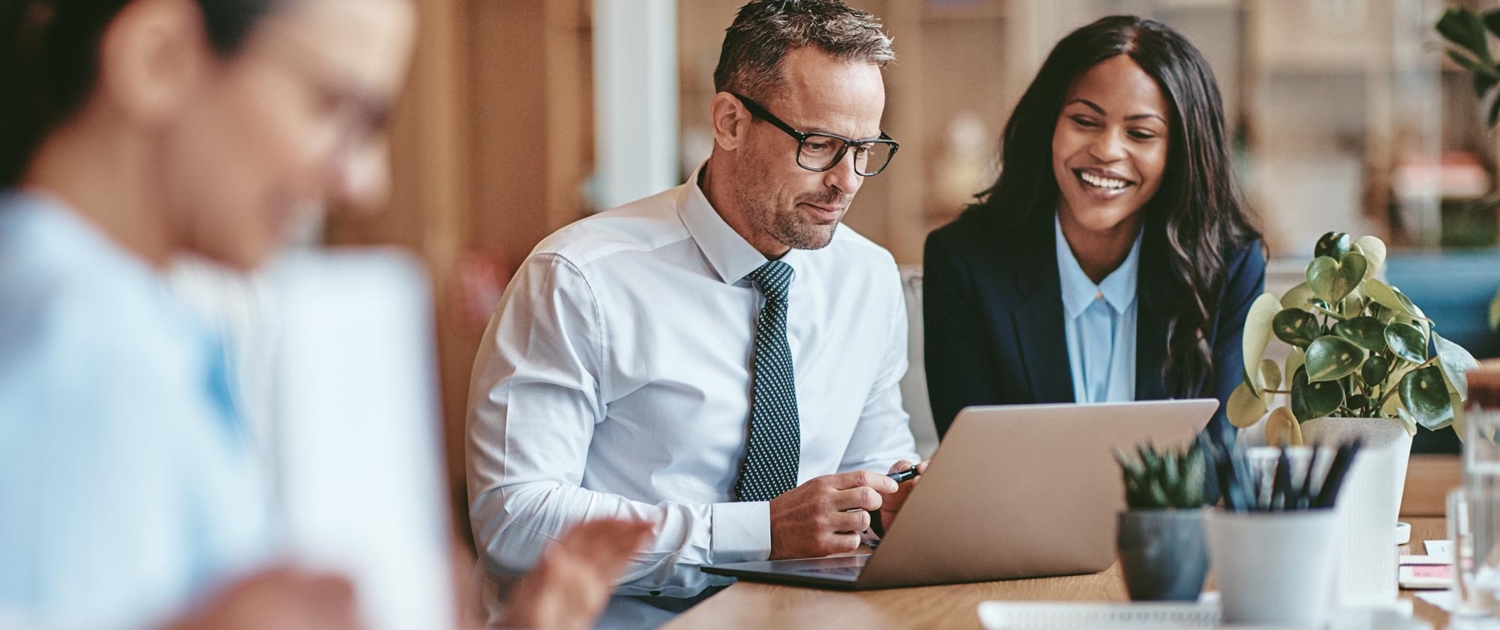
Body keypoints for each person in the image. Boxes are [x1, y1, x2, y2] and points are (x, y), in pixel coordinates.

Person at [0, 1, 647, 629]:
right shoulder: (73, 343)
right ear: (157, 58)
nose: (366, 183)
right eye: (333, 106)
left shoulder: (152, 320)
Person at [466, 0, 927, 626]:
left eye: (865, 149)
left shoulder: (867, 278)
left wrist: (898, 501)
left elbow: (876, 459)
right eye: (819, 145)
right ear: (730, 121)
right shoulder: (579, 279)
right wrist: (756, 531)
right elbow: (514, 519)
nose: (847, 181)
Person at [923, 16, 1265, 446]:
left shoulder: (1228, 266)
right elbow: (973, 458)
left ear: (1180, 152)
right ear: (1048, 125)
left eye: (1140, 133)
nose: (1106, 151)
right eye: (1084, 121)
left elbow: (1213, 462)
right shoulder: (963, 262)